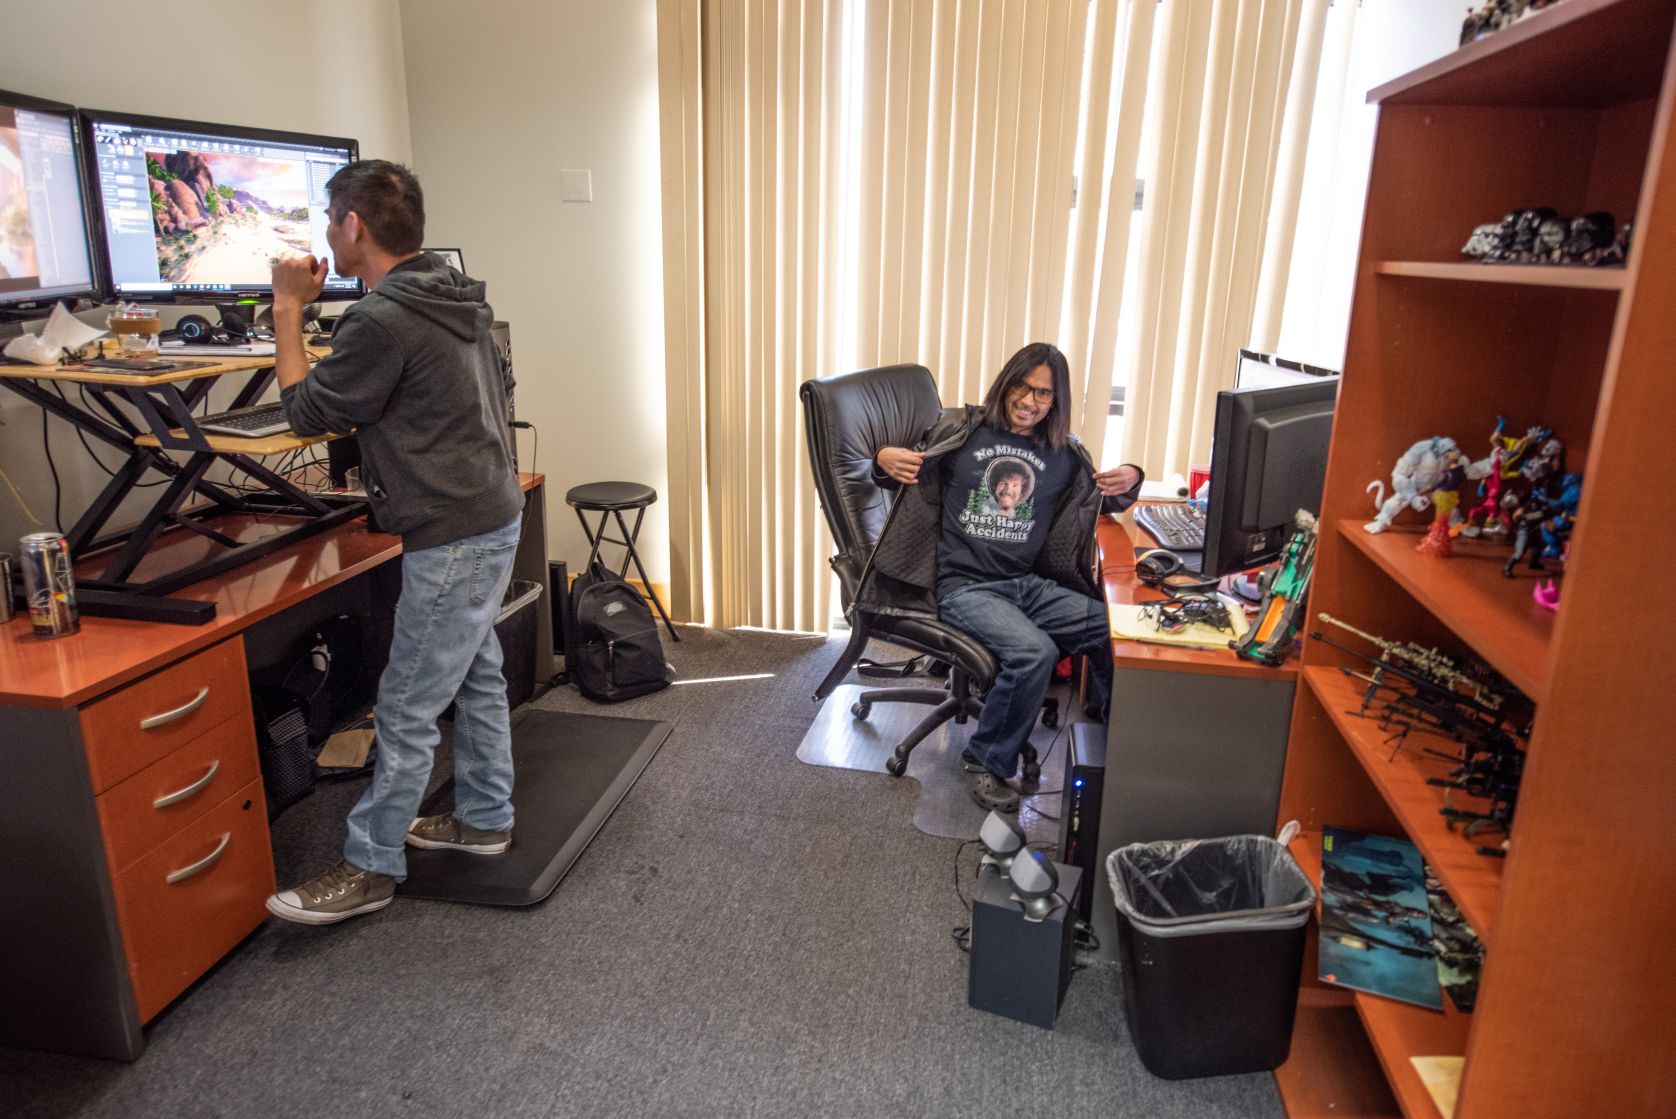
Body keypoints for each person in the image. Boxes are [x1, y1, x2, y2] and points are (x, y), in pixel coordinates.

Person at [263, 160, 525, 924]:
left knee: (405, 705)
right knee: (475, 674)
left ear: (354, 226)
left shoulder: (380, 319)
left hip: (453, 531)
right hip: (492, 509)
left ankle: (370, 866)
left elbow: (305, 412)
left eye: (329, 219)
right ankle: (484, 817)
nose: (325, 234)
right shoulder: (452, 292)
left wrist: (286, 308)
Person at [860, 342, 1143, 812]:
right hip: (965, 587)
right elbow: (897, 471)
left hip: (1025, 585)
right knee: (1035, 653)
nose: (1030, 401)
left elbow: (1105, 496)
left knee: (1112, 627)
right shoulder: (961, 431)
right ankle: (984, 760)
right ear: (1005, 383)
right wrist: (882, 457)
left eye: (1043, 394)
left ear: (1056, 401)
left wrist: (1133, 473)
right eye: (1022, 387)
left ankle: (1119, 739)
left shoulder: (1063, 454)